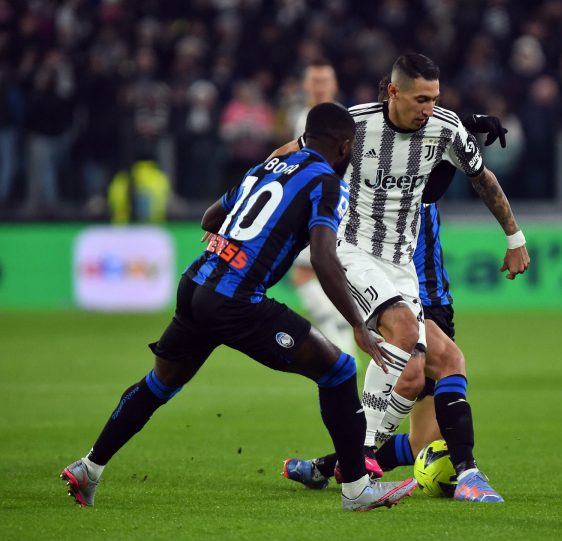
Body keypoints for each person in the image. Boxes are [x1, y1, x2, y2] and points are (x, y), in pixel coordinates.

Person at [60, 103, 418, 512]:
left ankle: (90, 467)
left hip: (196, 284)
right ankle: (356, 489)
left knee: (160, 384)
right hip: (236, 300)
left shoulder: (266, 166)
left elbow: (211, 218)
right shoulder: (324, 181)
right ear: (345, 145)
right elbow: (323, 258)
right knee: (338, 371)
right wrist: (357, 323)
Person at [276, 53, 529, 502]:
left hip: (400, 267)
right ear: (393, 92)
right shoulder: (355, 125)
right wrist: (241, 204)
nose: (428, 108)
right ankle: (373, 467)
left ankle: (361, 460)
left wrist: (514, 237)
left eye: (434, 98)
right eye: (420, 99)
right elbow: (288, 155)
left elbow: (482, 177)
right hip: (352, 251)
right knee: (409, 337)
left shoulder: (447, 128)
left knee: (429, 369)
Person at [289, 60, 357, 356]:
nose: (318, 86)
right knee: (314, 272)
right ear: (305, 85)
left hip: (332, 205)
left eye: (323, 81)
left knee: (311, 271)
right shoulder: (301, 116)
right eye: (314, 81)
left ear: (334, 85)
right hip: (316, 204)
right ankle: (343, 337)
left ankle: (342, 339)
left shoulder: (346, 119)